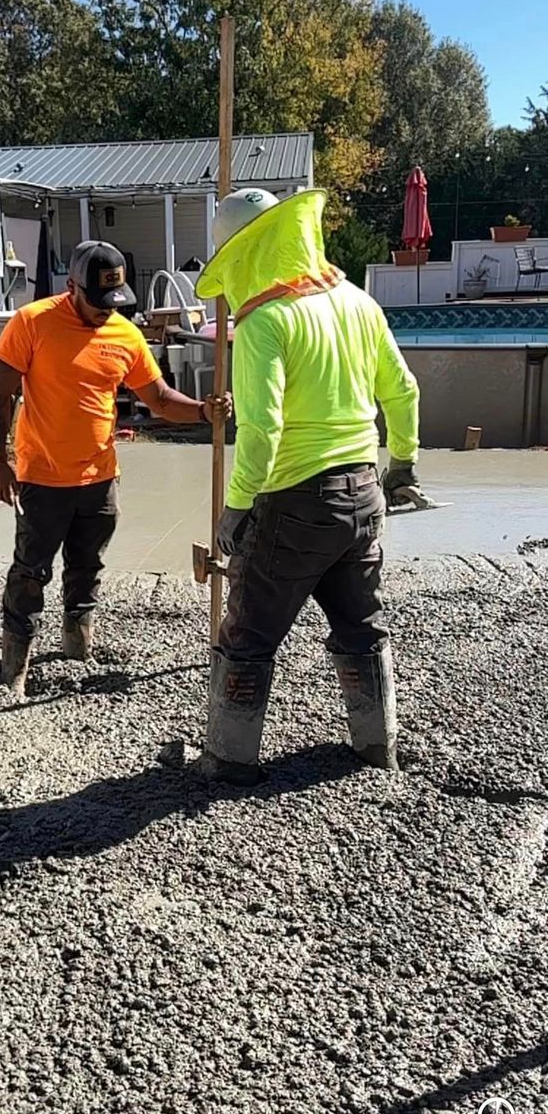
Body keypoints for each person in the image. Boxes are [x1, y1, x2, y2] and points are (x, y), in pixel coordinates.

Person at [193, 187, 425, 784]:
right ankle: (378, 746)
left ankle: (228, 761)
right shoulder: (357, 301)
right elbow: (403, 391)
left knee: (247, 634)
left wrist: (236, 507)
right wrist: (403, 462)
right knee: (361, 624)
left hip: (295, 501)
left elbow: (263, 431)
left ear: (245, 256)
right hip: (364, 492)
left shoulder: (266, 321)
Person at [0, 240, 231, 697]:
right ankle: (14, 669)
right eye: (99, 302)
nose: (107, 312)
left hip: (99, 479)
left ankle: (76, 649)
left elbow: (157, 399)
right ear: (72, 286)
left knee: (87, 568)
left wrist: (202, 411)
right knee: (30, 572)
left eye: (116, 302)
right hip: (42, 478)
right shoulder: (32, 323)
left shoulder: (124, 334)